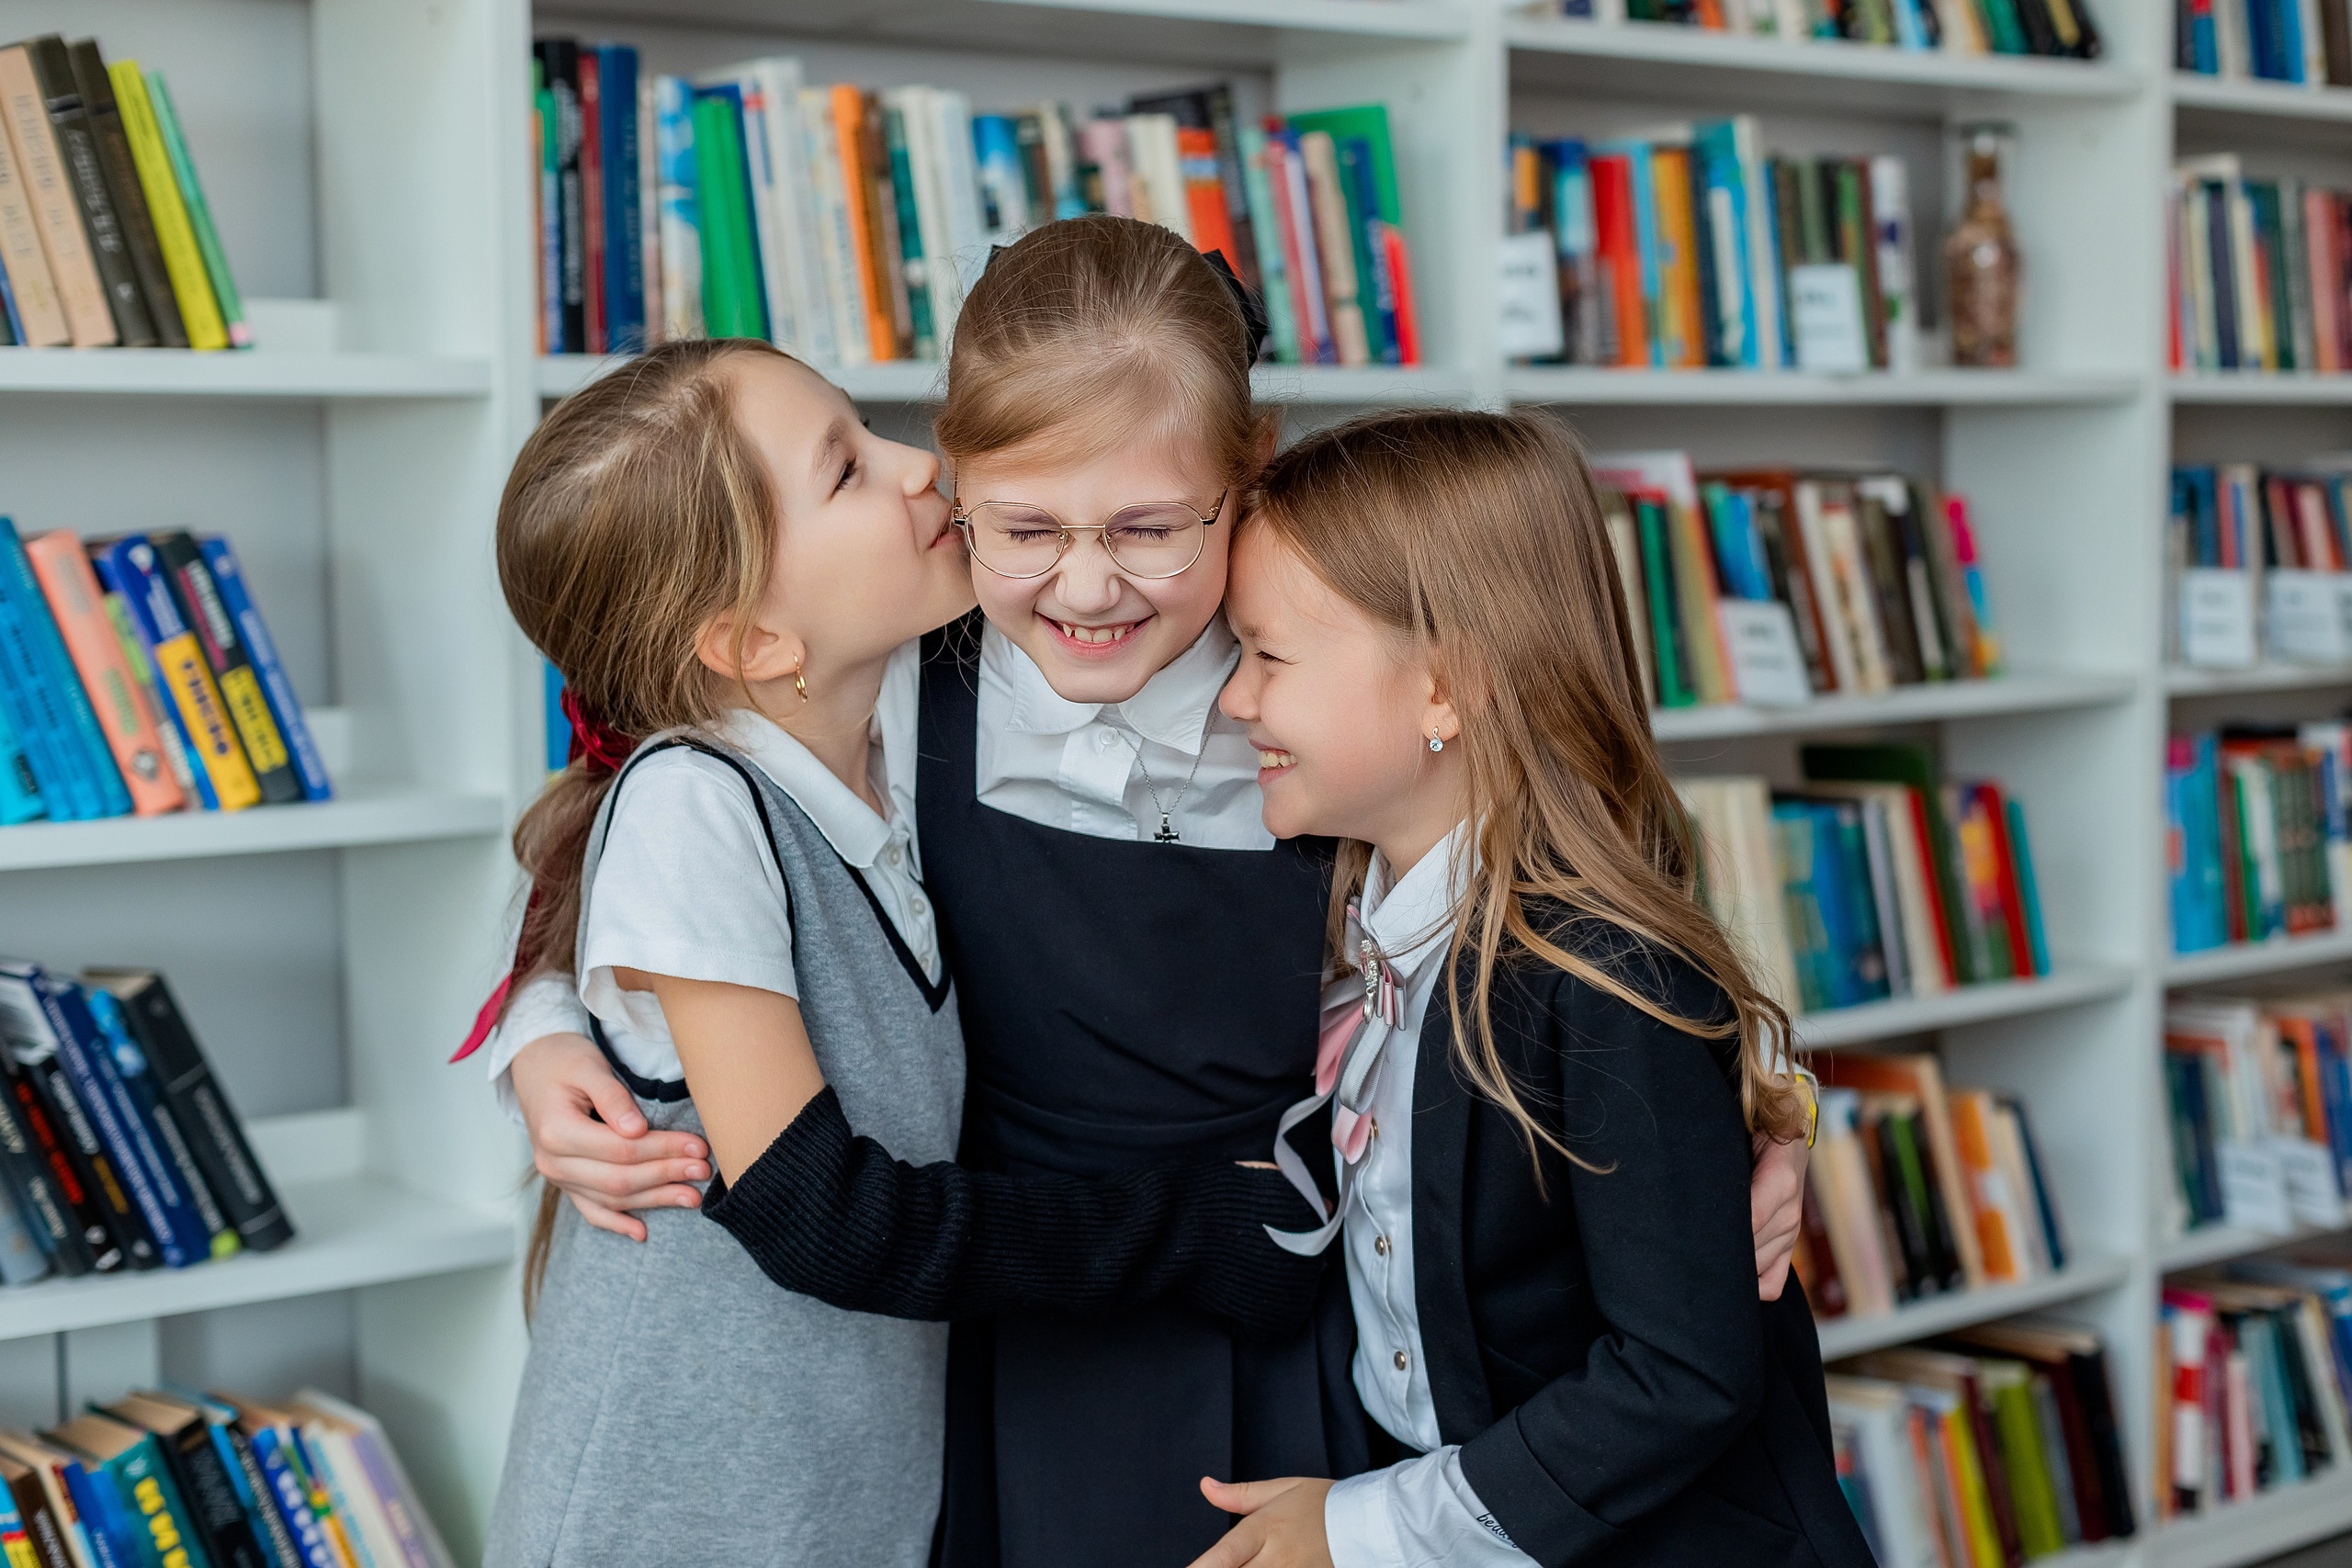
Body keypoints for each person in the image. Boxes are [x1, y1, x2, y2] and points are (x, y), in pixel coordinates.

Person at [488, 219, 1816, 1567]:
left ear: (1246, 482)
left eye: (1151, 528)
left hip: (1310, 1320)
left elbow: (1584, 883)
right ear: (960, 482)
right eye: (1021, 525)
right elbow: (650, 809)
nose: (1085, 584)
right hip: (1013, 1316)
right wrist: (546, 1027)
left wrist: (1750, 1110)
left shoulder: (1337, 675)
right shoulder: (899, 661)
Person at [477, 338, 1324, 1568]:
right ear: (755, 640)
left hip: (841, 1492)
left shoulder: (876, 731)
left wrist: (541, 1013)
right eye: (847, 470)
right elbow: (823, 1213)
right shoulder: (696, 799)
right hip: (681, 1511)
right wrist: (1197, 1228)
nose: (918, 466)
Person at [1188, 409, 1871, 1568]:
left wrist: (1361, 1534)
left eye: (1268, 656)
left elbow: (1682, 1374)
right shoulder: (1334, 903)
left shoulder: (1602, 977)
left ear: (1445, 690)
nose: (1231, 700)